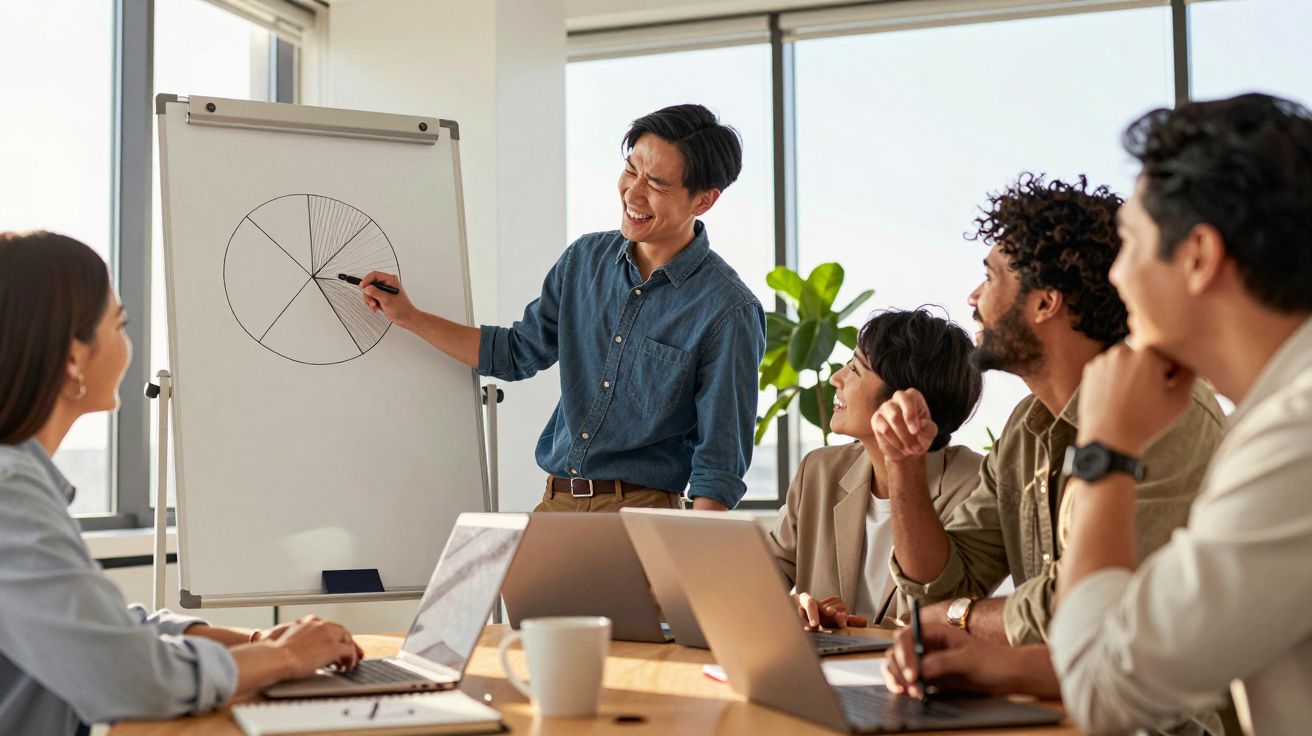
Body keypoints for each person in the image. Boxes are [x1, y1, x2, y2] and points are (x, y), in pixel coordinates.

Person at [880, 94, 1312, 736]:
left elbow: (1111, 690)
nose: (1116, 277)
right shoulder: (1279, 416)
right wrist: (994, 665)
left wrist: (1106, 452)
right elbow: (1139, 653)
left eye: (1130, 244)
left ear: (1198, 256)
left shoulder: (1293, 439)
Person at [0, 231, 364, 735]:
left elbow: (97, 629)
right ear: (72, 358)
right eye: (120, 325)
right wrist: (284, 658)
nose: (128, 345)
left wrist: (252, 642)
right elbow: (129, 676)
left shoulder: (19, 483)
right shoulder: (11, 493)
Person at [355, 104, 765, 512]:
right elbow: (515, 353)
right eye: (631, 170)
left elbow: (720, 465)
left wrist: (688, 550)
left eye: (657, 185)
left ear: (703, 201)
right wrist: (409, 316)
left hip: (643, 513)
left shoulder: (729, 310)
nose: (633, 193)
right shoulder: (584, 260)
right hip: (557, 501)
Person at [876, 174, 1224, 649]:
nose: (973, 298)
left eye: (990, 277)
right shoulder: (1025, 428)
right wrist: (903, 464)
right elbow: (941, 586)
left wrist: (962, 617)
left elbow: (1097, 607)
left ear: (1044, 302)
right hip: (1054, 688)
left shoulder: (1168, 414)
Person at [767, 309, 983, 629]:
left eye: (855, 369)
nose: (836, 378)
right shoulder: (819, 471)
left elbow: (943, 615)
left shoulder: (977, 486)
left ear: (905, 398)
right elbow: (761, 579)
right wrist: (794, 605)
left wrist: (858, 632)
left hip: (910, 661)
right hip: (817, 658)